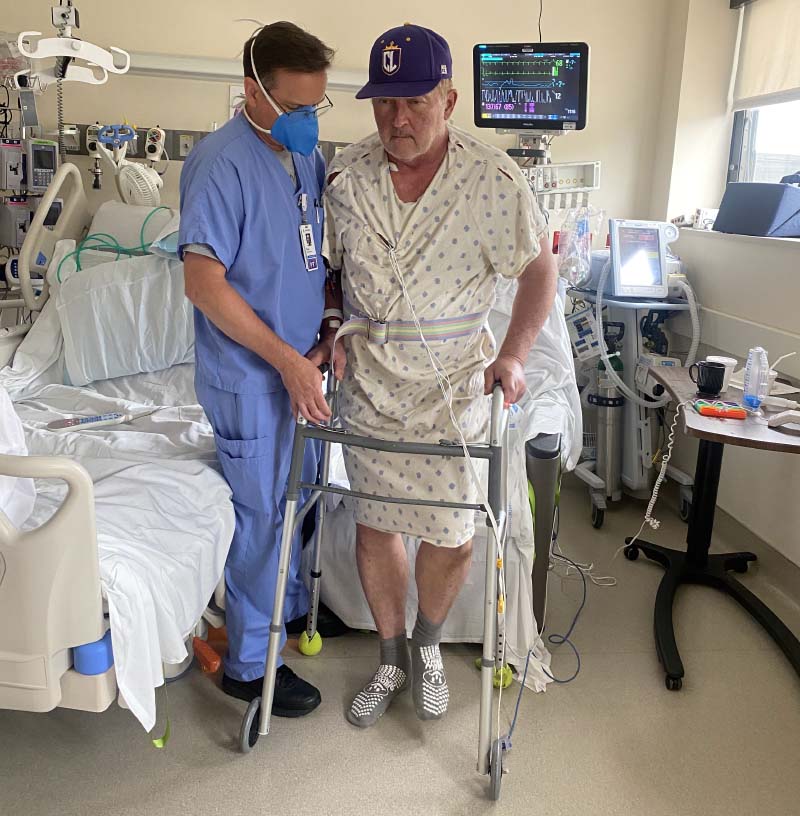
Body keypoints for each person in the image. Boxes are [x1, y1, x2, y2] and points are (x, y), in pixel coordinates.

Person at [323, 23, 557, 727]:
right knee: (375, 527)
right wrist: (332, 326)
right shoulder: (345, 174)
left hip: (455, 386)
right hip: (370, 383)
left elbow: (539, 267)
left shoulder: (493, 179)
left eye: (416, 101)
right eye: (384, 102)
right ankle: (390, 654)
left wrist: (512, 354)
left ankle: (427, 646)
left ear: (448, 100)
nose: (398, 118)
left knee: (452, 533)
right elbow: (330, 272)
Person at [179, 21, 342, 716]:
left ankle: (295, 609)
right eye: (296, 109)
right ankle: (250, 665)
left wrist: (325, 332)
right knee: (260, 516)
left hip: (300, 368)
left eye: (316, 108)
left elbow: (305, 254)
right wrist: (283, 361)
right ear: (253, 92)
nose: (309, 123)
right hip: (251, 379)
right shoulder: (221, 162)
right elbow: (204, 283)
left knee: (299, 502)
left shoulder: (299, 156)